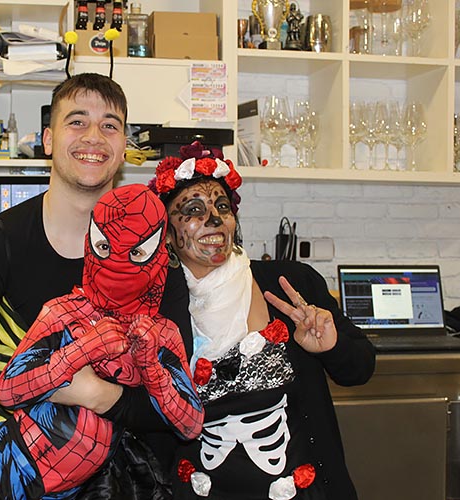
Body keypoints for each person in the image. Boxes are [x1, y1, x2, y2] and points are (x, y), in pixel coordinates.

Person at [0, 73, 192, 498]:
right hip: (14, 471)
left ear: (123, 147)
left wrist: (97, 394)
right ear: (48, 140)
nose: (94, 136)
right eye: (77, 121)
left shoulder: (158, 262)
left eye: (110, 125)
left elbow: (175, 408)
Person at [148, 141, 376, 499]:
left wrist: (331, 346)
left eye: (222, 207)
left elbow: (360, 368)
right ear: (168, 234)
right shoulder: (157, 309)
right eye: (193, 210)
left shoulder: (292, 284)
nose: (214, 219)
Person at [0, 184, 203, 499]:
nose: (118, 265)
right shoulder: (65, 311)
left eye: (136, 253)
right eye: (105, 248)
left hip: (79, 484)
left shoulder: (160, 332)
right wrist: (83, 350)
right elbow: (8, 390)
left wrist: (150, 367)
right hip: (10, 459)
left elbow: (190, 426)